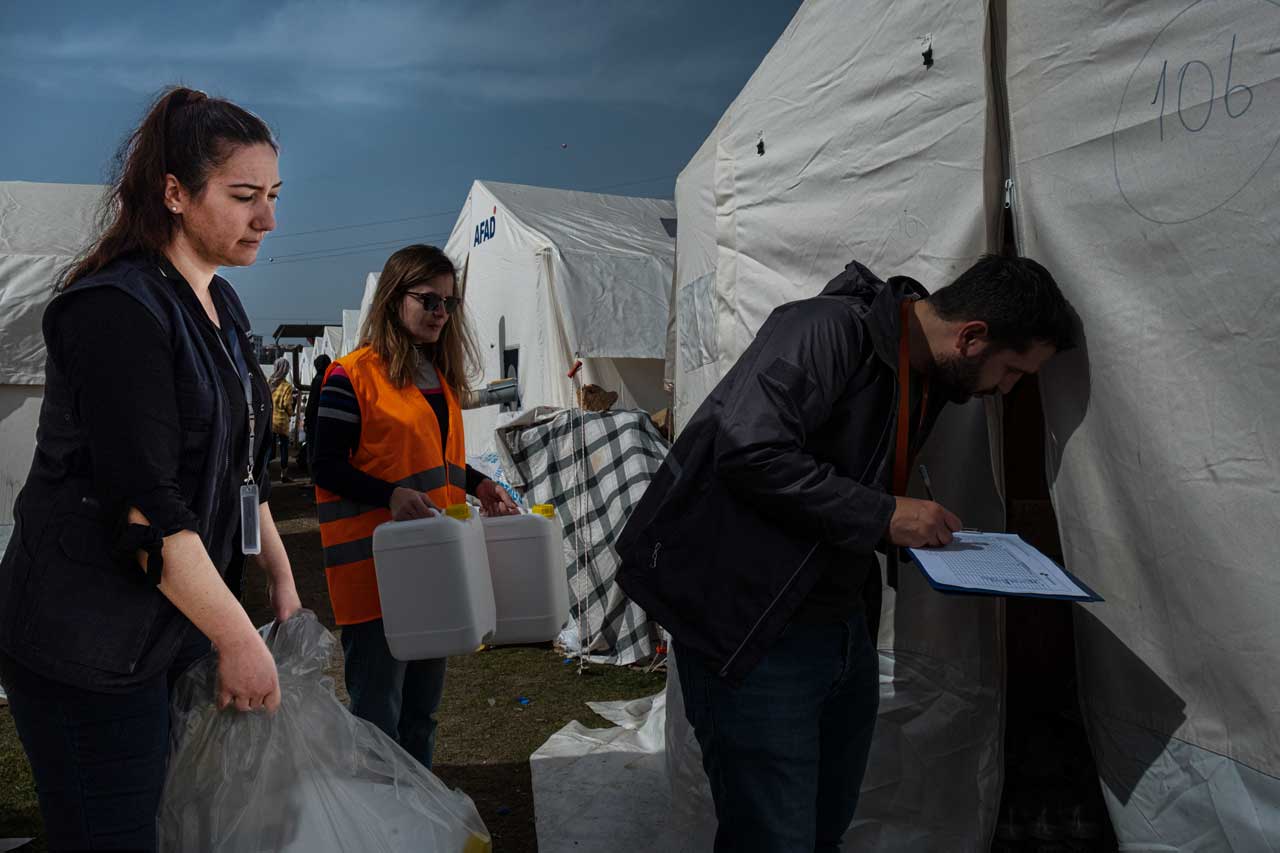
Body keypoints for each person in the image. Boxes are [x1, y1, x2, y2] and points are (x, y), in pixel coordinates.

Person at [616, 255, 1076, 852]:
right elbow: (750, 452)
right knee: (773, 838)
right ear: (971, 337)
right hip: (751, 631)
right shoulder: (823, 329)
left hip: (839, 631)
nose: (1007, 390)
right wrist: (887, 513)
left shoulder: (920, 369)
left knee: (823, 830)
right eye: (1013, 371)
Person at [0, 86, 301, 850]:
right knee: (112, 832)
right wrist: (239, 638)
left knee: (164, 822)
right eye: (243, 197)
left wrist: (284, 578)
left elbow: (239, 465)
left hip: (168, 632)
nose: (267, 219)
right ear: (174, 192)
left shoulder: (221, 306)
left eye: (271, 195)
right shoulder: (114, 312)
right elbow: (144, 513)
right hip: (89, 647)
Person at [312, 244, 519, 769]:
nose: (440, 314)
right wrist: (388, 496)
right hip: (376, 576)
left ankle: (422, 818)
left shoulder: (437, 379)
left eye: (448, 304)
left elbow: (429, 461)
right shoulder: (350, 376)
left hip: (433, 569)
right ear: (393, 298)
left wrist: (478, 484)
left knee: (421, 715)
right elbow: (325, 466)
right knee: (379, 716)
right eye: (429, 300)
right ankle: (383, 826)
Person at [303, 353, 332, 471]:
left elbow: (312, 402)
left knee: (313, 449)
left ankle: (314, 478)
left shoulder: (318, 379)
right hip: (327, 421)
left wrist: (306, 419)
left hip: (314, 420)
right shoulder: (330, 378)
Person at [269, 356, 296, 482]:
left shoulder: (270, 382)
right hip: (282, 422)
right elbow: (287, 404)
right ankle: (283, 475)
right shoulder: (287, 386)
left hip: (271, 421)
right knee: (284, 449)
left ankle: (265, 472)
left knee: (269, 448)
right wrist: (292, 413)